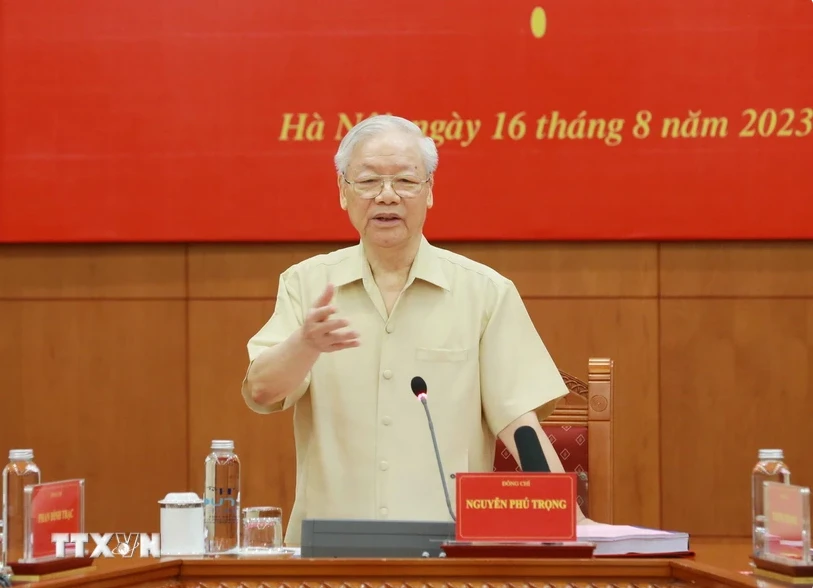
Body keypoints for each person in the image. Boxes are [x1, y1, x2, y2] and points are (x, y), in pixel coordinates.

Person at [242, 114, 574, 546]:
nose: (387, 195)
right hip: (330, 550)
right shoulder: (306, 285)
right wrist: (303, 345)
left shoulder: (485, 293)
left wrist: (572, 520)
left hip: (451, 549)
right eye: (367, 181)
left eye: (405, 180)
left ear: (430, 192)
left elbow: (519, 423)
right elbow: (262, 392)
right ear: (343, 192)